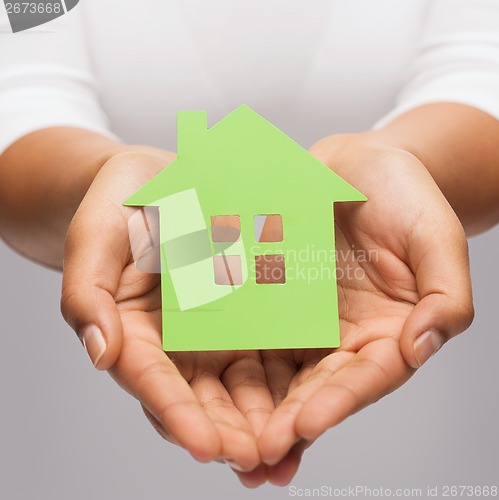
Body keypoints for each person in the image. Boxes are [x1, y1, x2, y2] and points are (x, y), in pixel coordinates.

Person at [1, 0, 498, 488]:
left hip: (419, 404)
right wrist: (106, 186)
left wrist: (401, 160)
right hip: (78, 426)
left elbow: (481, 67)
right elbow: (22, 92)